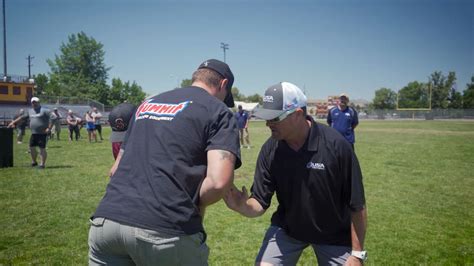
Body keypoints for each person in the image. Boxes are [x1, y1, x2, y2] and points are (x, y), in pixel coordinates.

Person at [88, 59, 241, 265]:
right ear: (223, 84)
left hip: (106, 224)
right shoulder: (218, 111)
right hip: (164, 231)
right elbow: (217, 182)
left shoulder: (147, 104)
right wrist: (188, 202)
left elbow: (115, 169)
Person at [224, 82, 367, 265]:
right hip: (288, 229)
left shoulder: (336, 146)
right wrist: (242, 206)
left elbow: (357, 205)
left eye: (275, 118)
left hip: (334, 235)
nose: (268, 124)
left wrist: (357, 254)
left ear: (298, 114)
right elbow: (260, 201)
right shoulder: (271, 149)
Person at [8, 97, 52, 168]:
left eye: (36, 102)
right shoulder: (30, 111)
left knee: (42, 149)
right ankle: (34, 162)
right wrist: (13, 122)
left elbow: (53, 118)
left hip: (42, 133)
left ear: (39, 102)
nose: (34, 103)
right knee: (31, 148)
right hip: (34, 133)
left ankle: (42, 164)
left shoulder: (45, 110)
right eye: (33, 102)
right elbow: (22, 117)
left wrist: (49, 128)